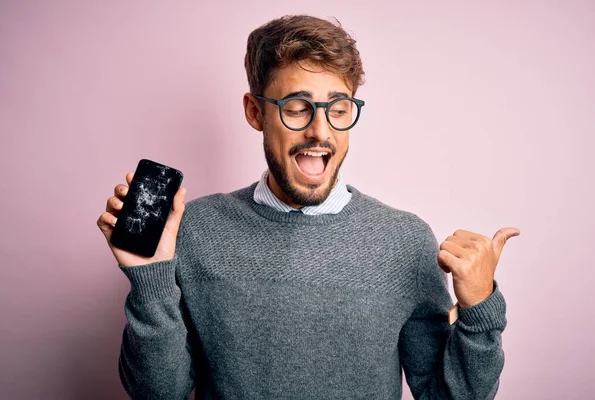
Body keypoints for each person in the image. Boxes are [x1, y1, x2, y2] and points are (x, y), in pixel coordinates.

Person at [97, 14, 520, 399]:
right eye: (297, 108)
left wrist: (479, 307)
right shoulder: (194, 230)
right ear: (255, 111)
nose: (320, 131)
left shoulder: (404, 242)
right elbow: (158, 393)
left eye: (338, 109)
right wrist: (149, 280)